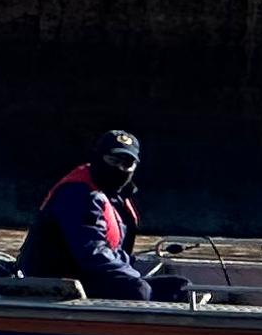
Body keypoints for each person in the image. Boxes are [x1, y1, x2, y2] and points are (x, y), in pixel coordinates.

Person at [19, 129, 178, 301]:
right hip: (59, 279)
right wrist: (133, 275)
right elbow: (92, 253)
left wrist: (130, 267)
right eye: (113, 160)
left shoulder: (115, 196)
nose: (119, 168)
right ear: (97, 158)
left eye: (127, 164)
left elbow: (112, 252)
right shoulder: (78, 194)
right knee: (140, 290)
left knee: (177, 286)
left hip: (91, 275)